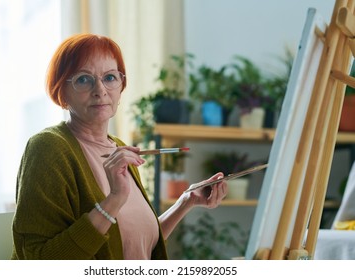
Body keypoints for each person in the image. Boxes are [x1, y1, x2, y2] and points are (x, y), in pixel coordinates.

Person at [12, 33, 227, 260]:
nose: (100, 90)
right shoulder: (48, 148)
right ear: (61, 92)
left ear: (121, 86)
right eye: (83, 79)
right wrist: (114, 199)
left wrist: (186, 201)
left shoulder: (120, 148)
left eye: (110, 78)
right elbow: (40, 259)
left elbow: (134, 245)